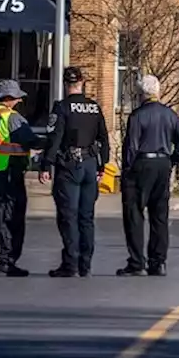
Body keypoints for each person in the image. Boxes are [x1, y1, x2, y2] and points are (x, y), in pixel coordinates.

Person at [41, 66, 109, 278]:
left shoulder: (61, 108)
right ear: (82, 83)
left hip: (69, 166)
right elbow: (104, 139)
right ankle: (85, 264)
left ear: (65, 84)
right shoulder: (94, 108)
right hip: (90, 164)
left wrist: (46, 165)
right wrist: (102, 165)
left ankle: (70, 263)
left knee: (68, 216)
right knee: (86, 217)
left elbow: (55, 138)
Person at [0, 80, 46, 277]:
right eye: (16, 97)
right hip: (8, 174)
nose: (20, 100)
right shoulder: (13, 118)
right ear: (8, 99)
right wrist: (52, 141)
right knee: (9, 217)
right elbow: (31, 140)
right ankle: (6, 260)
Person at [118, 74, 179, 277]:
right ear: (158, 92)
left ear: (142, 94)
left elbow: (131, 146)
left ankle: (137, 262)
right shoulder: (170, 115)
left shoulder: (137, 116)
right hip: (162, 164)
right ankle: (158, 262)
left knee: (134, 214)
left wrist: (127, 171)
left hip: (141, 164)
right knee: (159, 216)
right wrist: (172, 161)